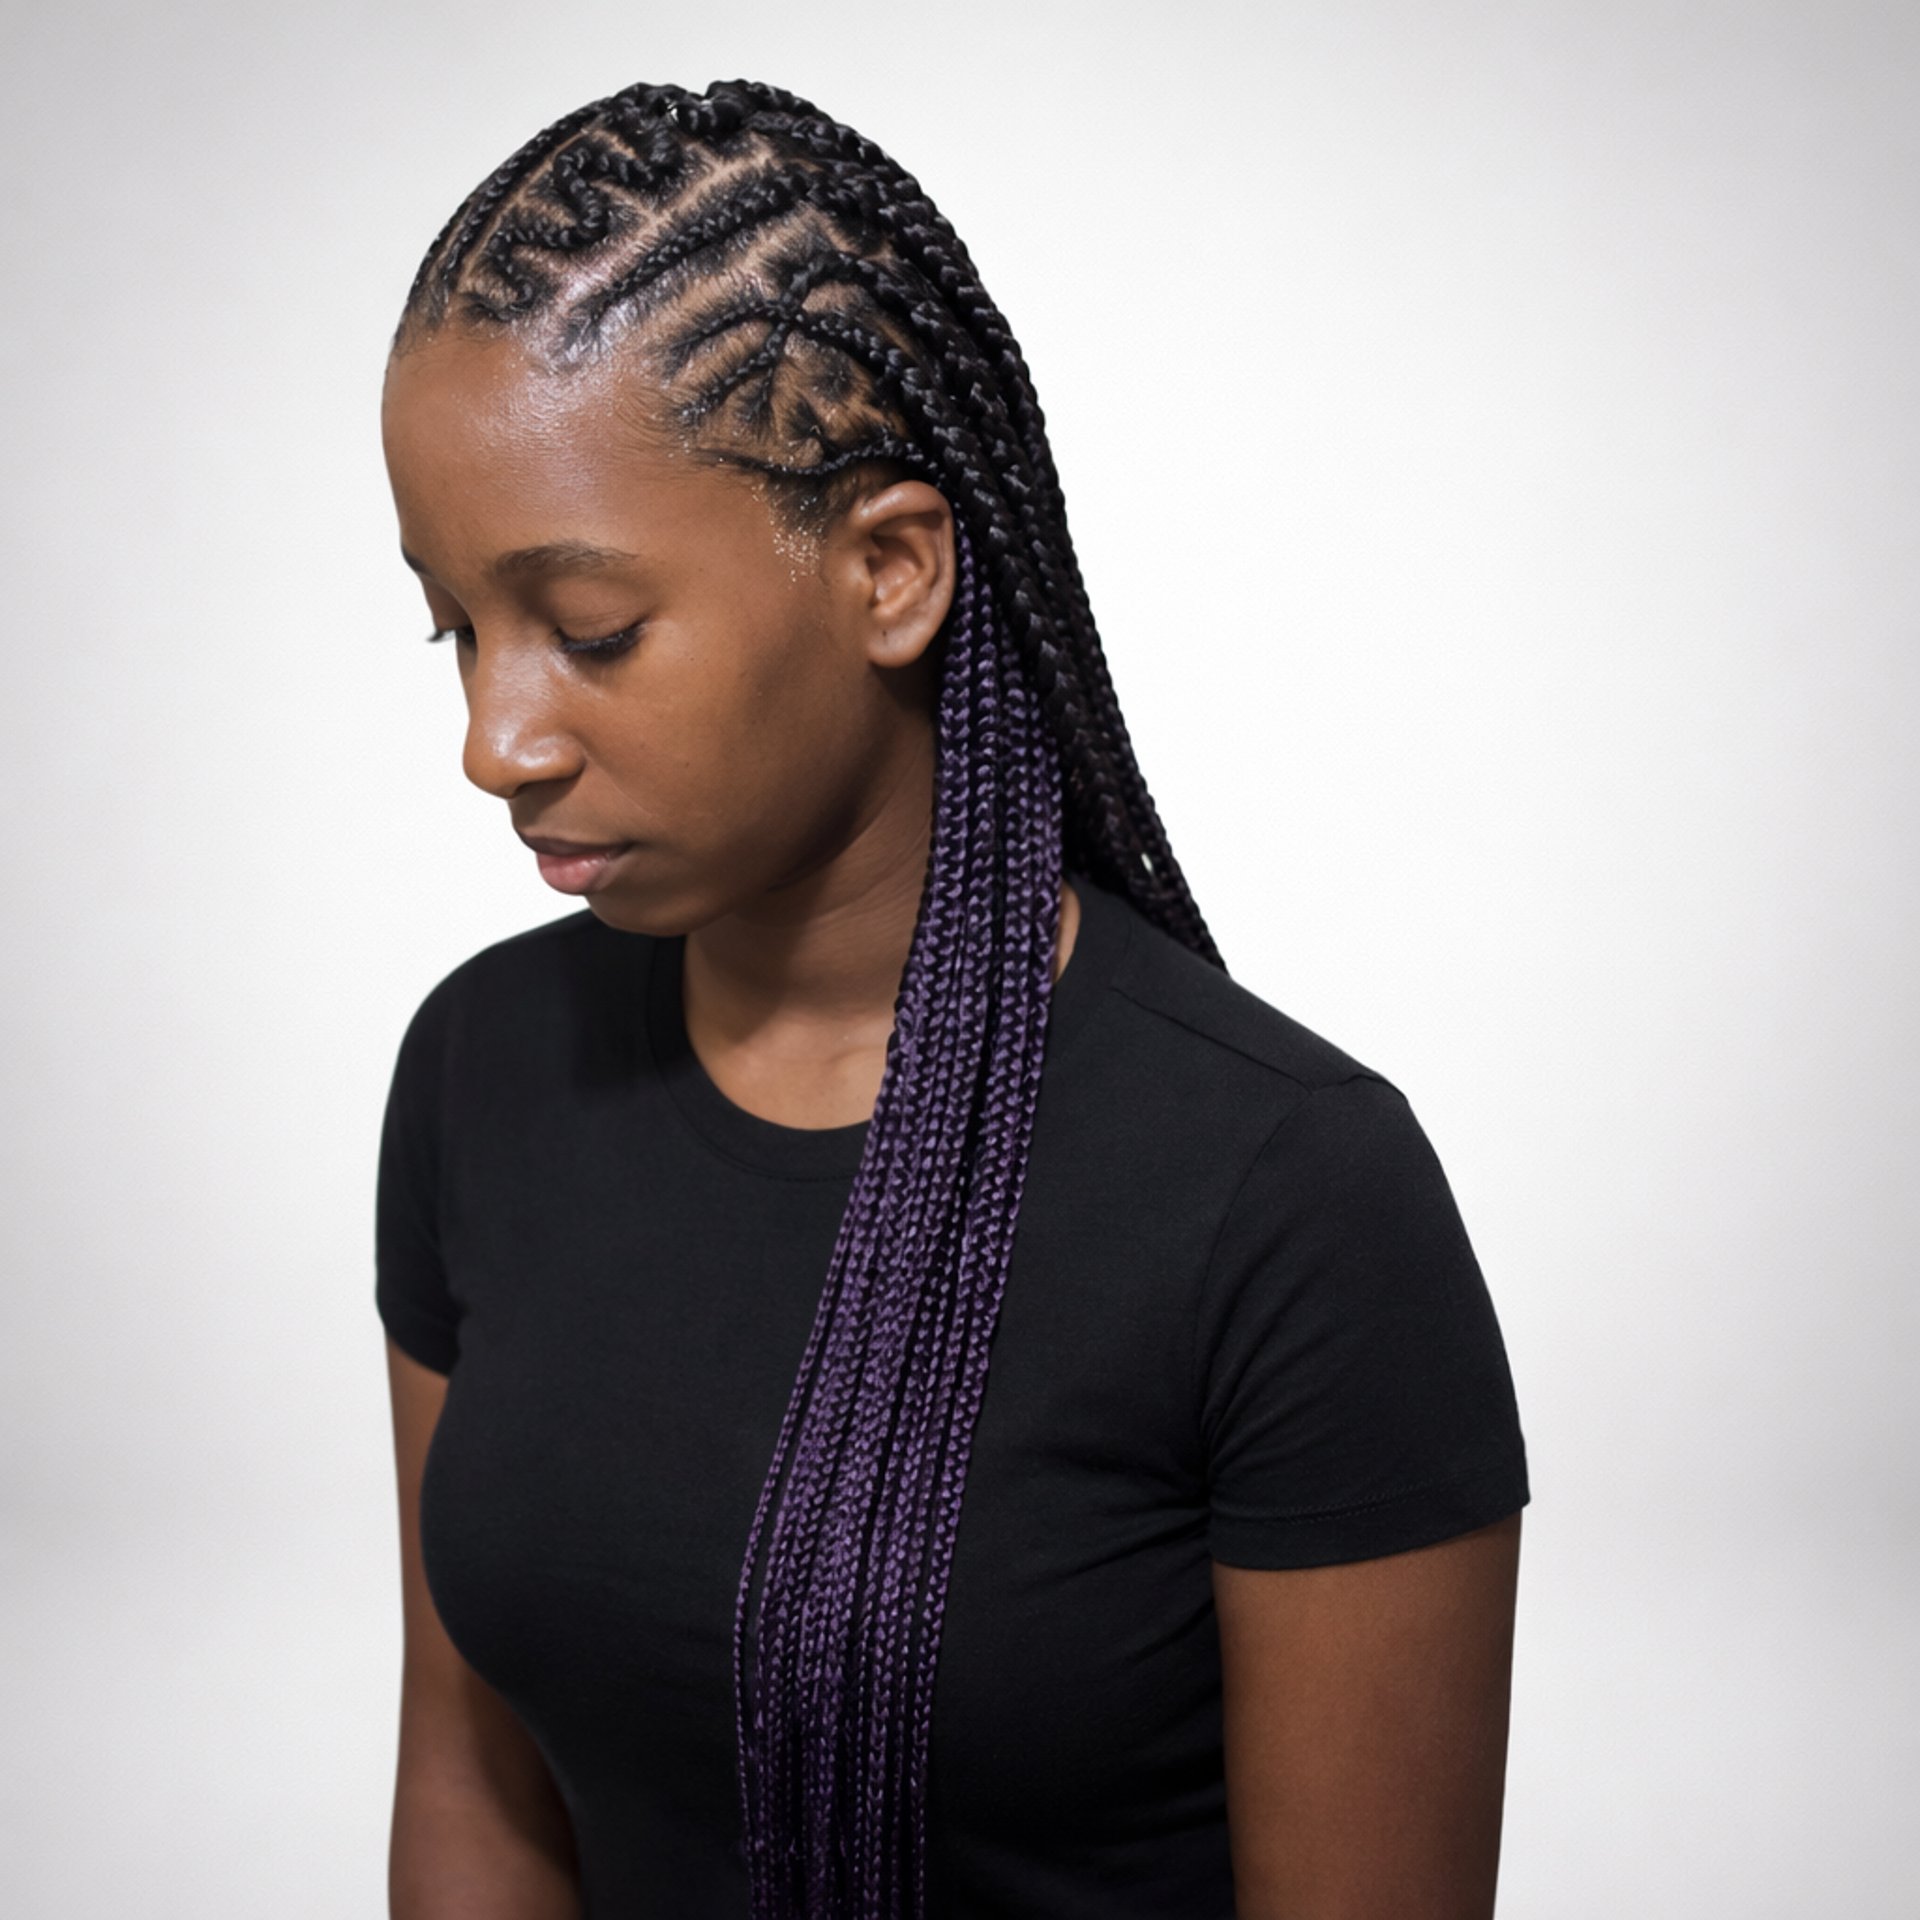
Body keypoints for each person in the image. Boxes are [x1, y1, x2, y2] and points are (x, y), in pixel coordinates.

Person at [374, 78, 1531, 1920]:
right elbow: (474, 1782)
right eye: (457, 627)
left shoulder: (1288, 1199)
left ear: (893, 571)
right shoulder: (482, 1076)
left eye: (588, 630)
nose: (491, 738)